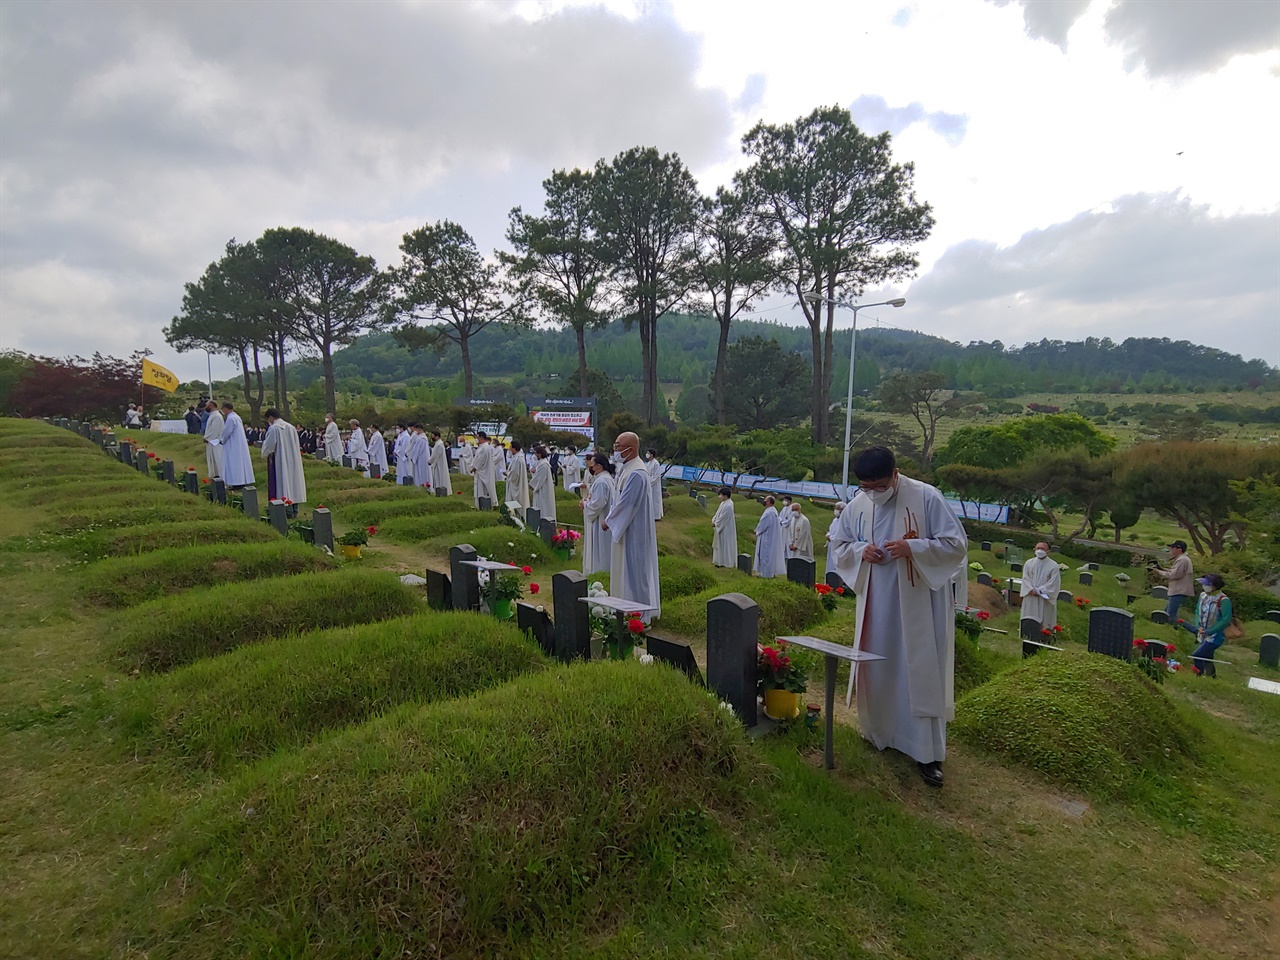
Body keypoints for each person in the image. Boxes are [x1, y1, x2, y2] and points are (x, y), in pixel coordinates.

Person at [828, 446, 968, 789]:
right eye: (866, 486)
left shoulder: (927, 497)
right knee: (880, 665)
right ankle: (880, 731)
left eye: (879, 485)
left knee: (918, 671)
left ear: (895, 474)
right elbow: (840, 544)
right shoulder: (859, 505)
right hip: (877, 602)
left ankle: (926, 753)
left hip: (919, 602)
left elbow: (956, 545)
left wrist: (913, 548)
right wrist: (863, 552)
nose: (874, 493)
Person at [602, 432, 660, 622]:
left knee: (636, 573)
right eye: (615, 445)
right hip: (625, 528)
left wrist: (609, 521)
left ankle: (640, 617)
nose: (615, 450)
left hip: (634, 531)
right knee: (625, 571)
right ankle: (624, 611)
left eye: (619, 446)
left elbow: (627, 504)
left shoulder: (637, 473)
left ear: (631, 449)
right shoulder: (626, 468)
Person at [261, 408, 307, 507]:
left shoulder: (274, 428)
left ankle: (284, 507)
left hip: (280, 459)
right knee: (293, 482)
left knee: (282, 481)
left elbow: (270, 445)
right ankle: (294, 508)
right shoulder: (291, 427)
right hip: (293, 459)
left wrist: (264, 453)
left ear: (271, 417)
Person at [580, 452, 615, 576]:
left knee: (601, 551)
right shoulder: (605, 478)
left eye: (592, 465)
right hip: (604, 519)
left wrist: (585, 504)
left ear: (599, 466)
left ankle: (599, 575)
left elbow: (598, 504)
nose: (591, 467)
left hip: (601, 520)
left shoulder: (602, 481)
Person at [1191, 574, 1232, 678]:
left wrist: (1210, 631)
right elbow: (1197, 611)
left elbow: (1225, 619)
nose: (1204, 586)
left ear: (1214, 586)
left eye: (1207, 584)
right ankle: (1212, 677)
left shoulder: (1223, 600)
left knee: (1197, 655)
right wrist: (1198, 625)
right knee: (1207, 656)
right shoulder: (1202, 596)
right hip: (1202, 633)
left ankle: (1198, 675)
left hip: (1215, 636)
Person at [1152, 540, 1196, 634]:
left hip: (1179, 590)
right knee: (1166, 614)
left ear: (1179, 549)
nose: (1170, 549)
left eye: (1172, 547)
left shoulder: (1182, 560)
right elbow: (1175, 572)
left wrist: (1158, 571)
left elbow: (1174, 575)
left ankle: (1195, 631)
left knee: (1171, 615)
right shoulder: (1183, 559)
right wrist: (1162, 568)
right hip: (1178, 590)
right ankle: (1167, 631)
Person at [1019, 541, 1061, 629]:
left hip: (1044, 598)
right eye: (1038, 548)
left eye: (1042, 549)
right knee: (1028, 616)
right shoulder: (1029, 563)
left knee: (1044, 618)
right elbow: (1025, 578)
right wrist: (1030, 590)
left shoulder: (1053, 566)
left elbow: (1053, 582)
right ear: (1034, 549)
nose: (1040, 550)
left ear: (1048, 551)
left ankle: (1044, 634)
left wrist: (1039, 591)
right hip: (1030, 596)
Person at [213, 401, 255, 488]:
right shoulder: (236, 417)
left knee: (233, 463)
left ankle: (236, 482)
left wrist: (221, 440)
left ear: (225, 408)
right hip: (238, 444)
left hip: (233, 445)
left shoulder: (231, 419)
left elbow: (227, 431)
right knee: (239, 463)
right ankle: (241, 481)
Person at [752, 496, 786, 578]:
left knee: (765, 555)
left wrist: (757, 530)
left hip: (766, 538)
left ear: (770, 502)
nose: (764, 502)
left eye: (766, 500)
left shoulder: (768, 513)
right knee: (770, 555)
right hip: (771, 536)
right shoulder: (773, 511)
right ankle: (768, 573)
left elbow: (763, 525)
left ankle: (765, 574)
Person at [711, 486, 737, 568]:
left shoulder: (729, 505)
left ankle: (725, 562)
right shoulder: (723, 503)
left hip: (725, 529)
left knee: (725, 545)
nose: (720, 497)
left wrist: (716, 523)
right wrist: (714, 520)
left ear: (725, 496)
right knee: (720, 545)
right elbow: (718, 513)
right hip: (721, 528)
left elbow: (723, 518)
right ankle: (718, 561)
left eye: (721, 495)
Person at [530, 444, 556, 523]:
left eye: (536, 453)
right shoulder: (542, 463)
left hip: (543, 490)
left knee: (544, 507)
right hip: (541, 489)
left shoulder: (543, 464)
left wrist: (530, 485)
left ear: (540, 454)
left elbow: (539, 478)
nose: (535, 455)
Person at [472, 431, 498, 509]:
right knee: (481, 489)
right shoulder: (481, 447)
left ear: (481, 438)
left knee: (483, 489)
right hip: (481, 472)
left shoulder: (485, 448)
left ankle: (486, 505)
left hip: (483, 472)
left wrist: (474, 467)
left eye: (477, 437)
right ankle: (480, 505)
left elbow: (481, 460)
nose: (476, 439)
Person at [202, 400, 224, 480]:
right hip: (211, 443)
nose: (205, 407)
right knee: (213, 462)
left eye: (206, 405)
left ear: (211, 405)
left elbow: (215, 430)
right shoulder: (212, 415)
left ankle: (221, 478)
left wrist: (207, 438)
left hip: (216, 443)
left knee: (218, 461)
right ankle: (214, 477)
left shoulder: (217, 416)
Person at [505, 439, 530, 509]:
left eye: (510, 447)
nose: (509, 449)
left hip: (516, 485)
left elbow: (514, 474)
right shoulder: (517, 457)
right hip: (517, 483)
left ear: (514, 448)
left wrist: (507, 473)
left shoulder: (518, 459)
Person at [409, 424, 431, 490]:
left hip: (421, 459)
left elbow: (417, 450)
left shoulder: (421, 439)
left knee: (420, 473)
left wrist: (413, 458)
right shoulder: (423, 438)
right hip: (422, 458)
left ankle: (421, 486)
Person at [644, 449, 665, 520]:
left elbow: (656, 475)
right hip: (649, 482)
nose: (647, 454)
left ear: (652, 454)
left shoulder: (656, 463)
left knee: (655, 499)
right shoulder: (649, 463)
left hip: (654, 484)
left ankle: (656, 515)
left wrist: (651, 482)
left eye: (648, 453)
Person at [429, 430, 452, 494]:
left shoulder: (439, 444)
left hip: (439, 464)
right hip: (437, 464)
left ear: (437, 436)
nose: (432, 438)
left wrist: (430, 461)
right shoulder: (437, 444)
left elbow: (435, 455)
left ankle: (441, 491)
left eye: (433, 436)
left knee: (440, 478)